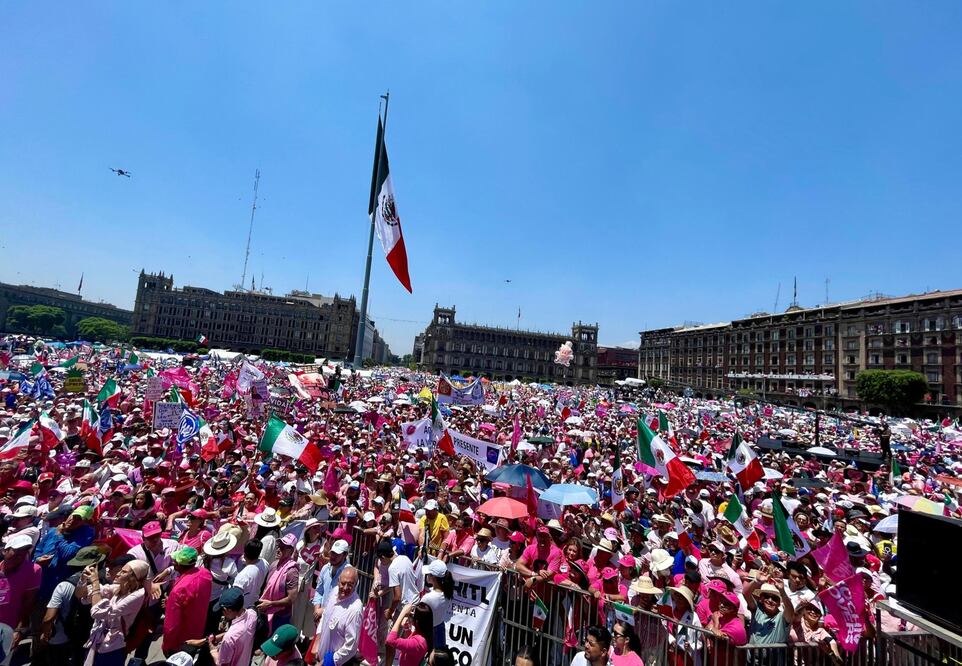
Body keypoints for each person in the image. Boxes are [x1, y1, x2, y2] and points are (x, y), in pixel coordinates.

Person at [83, 559, 150, 666]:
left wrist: (95, 581)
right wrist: (83, 579)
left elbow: (97, 612)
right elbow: (86, 595)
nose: (118, 573)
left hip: (113, 646)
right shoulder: (121, 587)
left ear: (133, 577)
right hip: (100, 641)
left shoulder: (138, 595)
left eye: (123, 572)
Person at [162, 547, 213, 656]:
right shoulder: (205, 573)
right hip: (197, 632)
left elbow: (171, 626)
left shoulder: (179, 590)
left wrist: (166, 645)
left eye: (175, 561)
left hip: (180, 642)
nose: (173, 563)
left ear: (179, 565)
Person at [310, 566, 363, 666]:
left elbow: (351, 646)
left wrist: (329, 661)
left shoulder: (355, 609)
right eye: (343, 583)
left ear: (356, 585)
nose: (345, 588)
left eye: (350, 585)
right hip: (320, 657)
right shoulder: (334, 591)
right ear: (338, 581)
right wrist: (318, 640)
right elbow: (325, 616)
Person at [0, 535, 41, 659]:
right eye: (17, 550)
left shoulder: (33, 570)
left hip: (8, 628)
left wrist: (19, 630)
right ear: (5, 551)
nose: (21, 555)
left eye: (25, 551)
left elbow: (28, 602)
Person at [257, 533, 299, 631]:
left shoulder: (292, 571)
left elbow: (291, 599)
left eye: (283, 547)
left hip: (280, 616)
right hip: (265, 611)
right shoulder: (274, 564)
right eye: (279, 546)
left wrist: (271, 604)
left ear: (291, 551)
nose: (279, 549)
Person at [208, 587, 258, 666]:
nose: (222, 613)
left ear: (228, 610)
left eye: (222, 610)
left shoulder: (229, 638)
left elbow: (222, 664)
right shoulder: (253, 614)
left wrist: (213, 651)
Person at [386, 602, 433, 666]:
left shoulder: (418, 643)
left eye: (411, 615)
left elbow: (391, 640)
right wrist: (407, 629)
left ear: (417, 621)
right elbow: (411, 644)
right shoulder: (422, 634)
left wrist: (402, 614)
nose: (410, 616)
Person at [421, 559, 453, 647]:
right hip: (439, 629)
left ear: (433, 577)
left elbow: (419, 617)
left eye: (428, 574)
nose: (426, 576)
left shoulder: (428, 598)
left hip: (427, 633)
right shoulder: (447, 593)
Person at [233, 538, 268, 609]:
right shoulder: (265, 563)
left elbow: (235, 597)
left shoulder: (242, 576)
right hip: (255, 602)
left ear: (245, 554)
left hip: (243, 608)